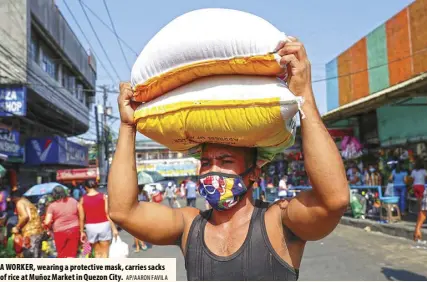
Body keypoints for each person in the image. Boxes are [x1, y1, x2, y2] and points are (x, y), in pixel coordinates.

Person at [108, 37, 349, 280]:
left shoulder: (278, 222)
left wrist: (304, 95)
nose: (212, 171)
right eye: (205, 162)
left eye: (225, 161)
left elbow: (334, 200)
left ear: (254, 172)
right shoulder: (189, 225)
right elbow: (122, 212)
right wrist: (128, 126)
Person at [78, 180, 118, 258]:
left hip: (91, 227)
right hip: (104, 225)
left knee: (96, 252)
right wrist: (114, 229)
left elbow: (81, 218)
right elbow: (107, 213)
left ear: (86, 187)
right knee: (105, 251)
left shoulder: (82, 199)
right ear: (95, 186)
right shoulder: (103, 196)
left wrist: (82, 231)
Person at [44, 186, 80, 258]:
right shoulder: (73, 201)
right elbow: (81, 211)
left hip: (60, 231)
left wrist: (49, 227)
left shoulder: (52, 206)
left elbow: (47, 221)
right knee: (72, 254)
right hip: (74, 229)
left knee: (62, 254)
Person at [10, 190, 44, 258]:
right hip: (38, 231)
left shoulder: (19, 203)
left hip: (31, 232)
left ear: (13, 198)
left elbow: (25, 216)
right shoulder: (27, 201)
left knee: (30, 255)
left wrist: (17, 227)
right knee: (37, 254)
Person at [134, 187, 149, 252]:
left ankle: (141, 243)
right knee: (135, 231)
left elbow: (148, 201)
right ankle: (138, 246)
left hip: (144, 213)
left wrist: (147, 196)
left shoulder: (145, 192)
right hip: (136, 213)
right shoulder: (134, 193)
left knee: (141, 230)